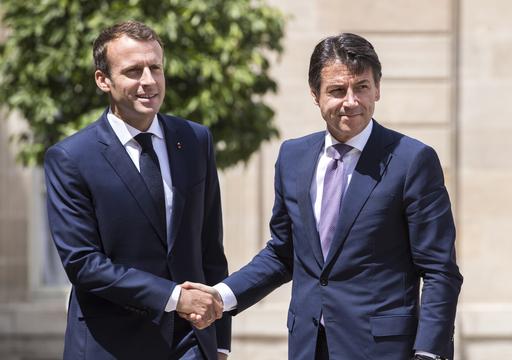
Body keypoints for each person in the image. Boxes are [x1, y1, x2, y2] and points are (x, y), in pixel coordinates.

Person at [184, 33, 463, 360]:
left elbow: (439, 269)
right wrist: (221, 296)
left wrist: (429, 353)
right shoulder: (293, 157)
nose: (351, 101)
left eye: (361, 87)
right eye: (336, 90)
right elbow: (283, 253)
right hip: (307, 346)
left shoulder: (412, 160)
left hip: (384, 350)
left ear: (377, 89)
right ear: (315, 95)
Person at [45, 20, 229, 360]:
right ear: (103, 80)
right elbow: (84, 264)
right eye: (133, 71)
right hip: (110, 347)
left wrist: (219, 342)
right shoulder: (70, 158)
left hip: (190, 344)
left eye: (155, 68)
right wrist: (173, 297)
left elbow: (208, 248)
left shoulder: (195, 139)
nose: (148, 81)